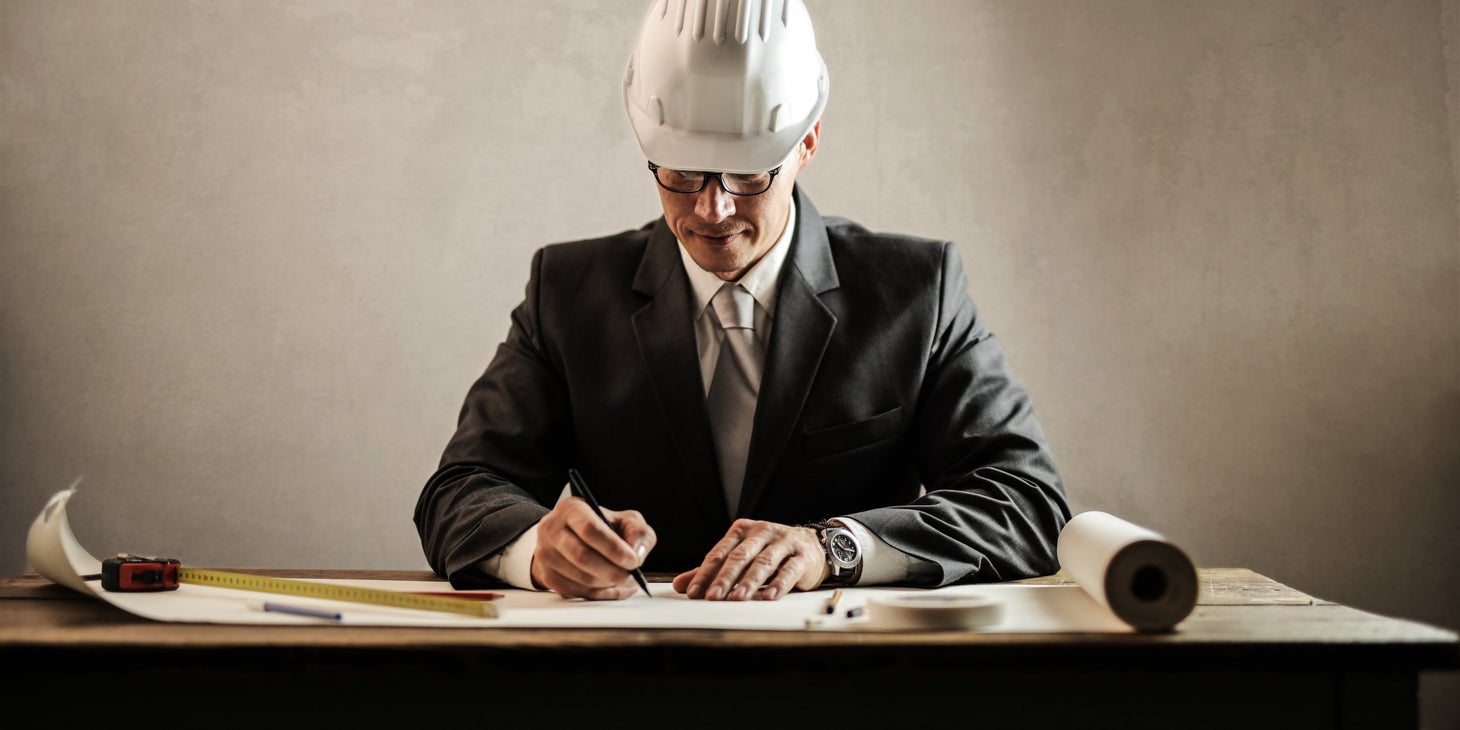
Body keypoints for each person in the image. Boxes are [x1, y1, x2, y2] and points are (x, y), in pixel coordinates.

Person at [414, 0, 1070, 601]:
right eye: (679, 173)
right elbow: (459, 492)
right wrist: (538, 550)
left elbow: (1028, 502)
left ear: (806, 143)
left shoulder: (916, 290)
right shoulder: (568, 292)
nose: (713, 208)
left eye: (749, 173)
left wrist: (834, 547)